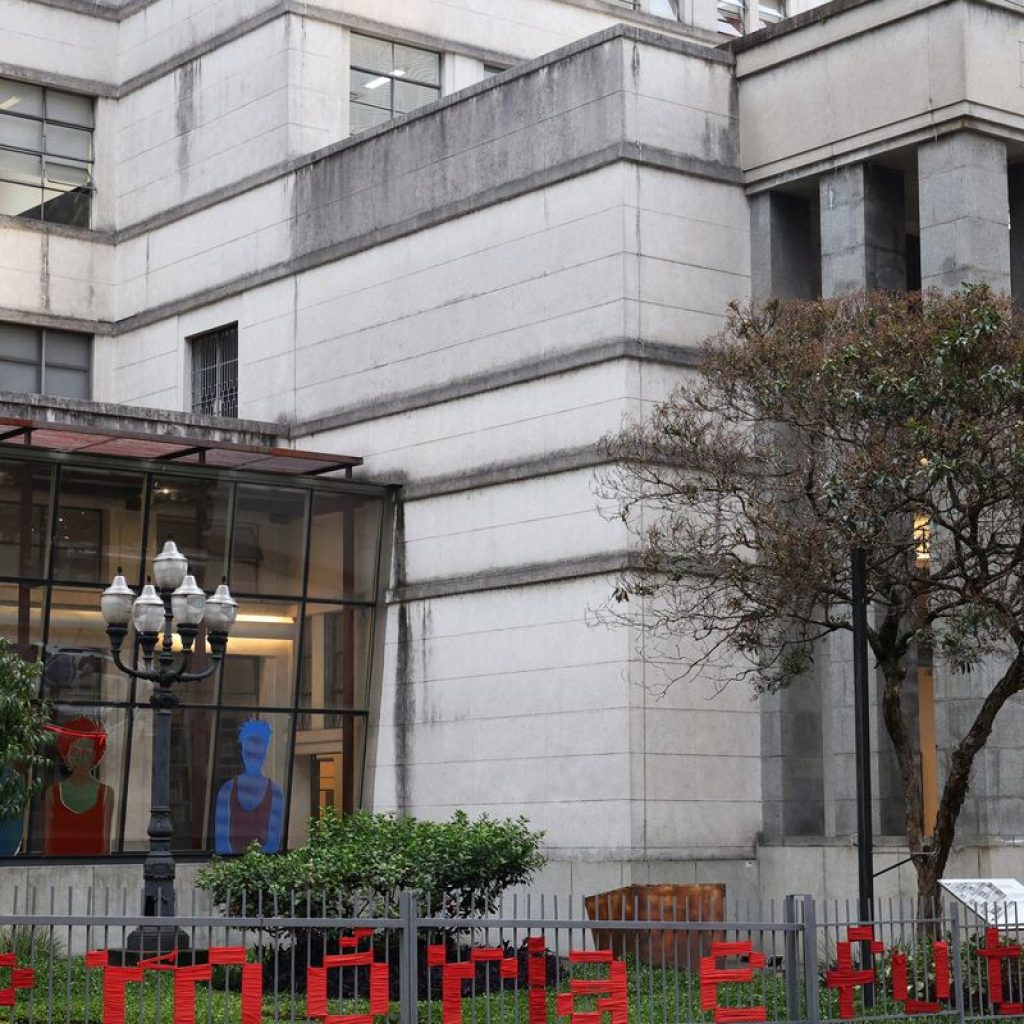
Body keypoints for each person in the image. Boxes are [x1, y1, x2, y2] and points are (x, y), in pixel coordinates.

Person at [44, 717, 113, 856]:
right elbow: (47, 847)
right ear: (67, 754)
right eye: (75, 751)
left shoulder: (106, 794)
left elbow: (106, 849)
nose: (80, 757)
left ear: (94, 755)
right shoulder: (53, 793)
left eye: (86, 752)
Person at [214, 720, 284, 854]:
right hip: (231, 864)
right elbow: (222, 842)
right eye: (249, 753)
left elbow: (272, 843)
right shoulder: (226, 791)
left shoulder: (275, 794)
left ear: (265, 751)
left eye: (257, 754)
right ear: (242, 750)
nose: (253, 759)